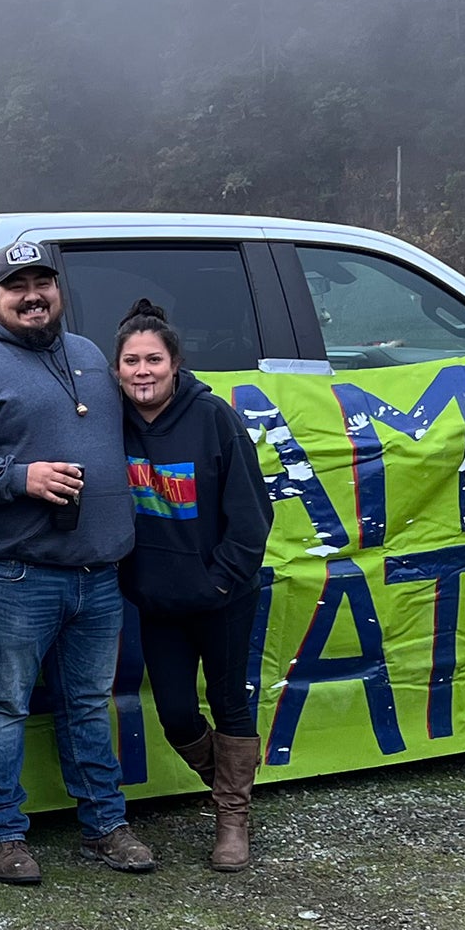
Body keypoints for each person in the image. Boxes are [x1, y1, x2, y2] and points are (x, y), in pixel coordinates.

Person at [0, 241, 156, 885]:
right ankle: (1, 834)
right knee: (3, 704)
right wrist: (19, 478)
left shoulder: (87, 355)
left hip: (99, 574)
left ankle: (105, 824)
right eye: (16, 285)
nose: (32, 295)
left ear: (58, 290)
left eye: (42, 282)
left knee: (87, 702)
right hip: (11, 573)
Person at [115, 298, 273, 871]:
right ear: (116, 370)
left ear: (175, 363)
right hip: (157, 601)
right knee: (177, 714)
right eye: (130, 361)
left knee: (230, 702)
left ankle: (233, 819)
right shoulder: (114, 422)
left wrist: (221, 582)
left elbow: (252, 515)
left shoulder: (214, 419)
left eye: (153, 359)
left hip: (223, 596)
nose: (142, 371)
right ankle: (230, 785)